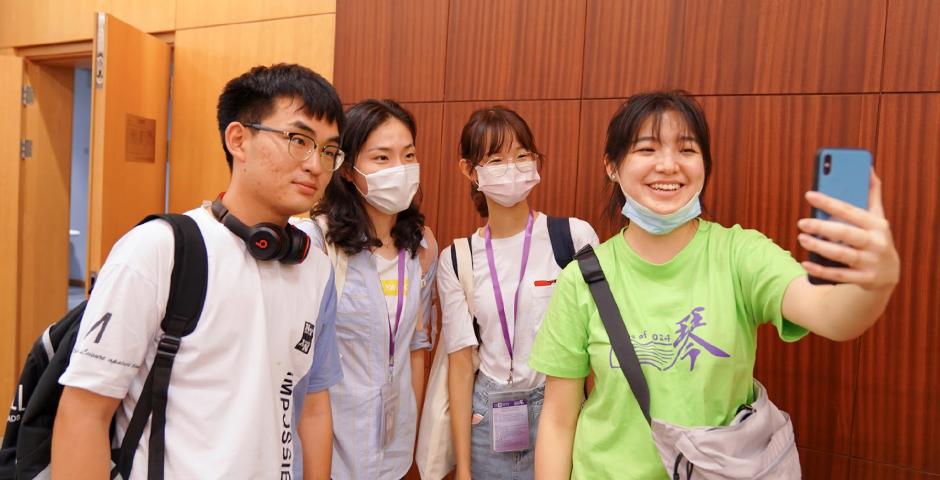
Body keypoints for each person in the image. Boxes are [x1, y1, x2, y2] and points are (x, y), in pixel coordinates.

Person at [529, 91, 900, 479]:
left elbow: (832, 315)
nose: (668, 165)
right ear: (612, 166)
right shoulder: (582, 278)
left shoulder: (740, 254)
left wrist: (875, 282)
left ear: (705, 164)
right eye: (647, 149)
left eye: (687, 150)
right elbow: (558, 420)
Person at [51, 64, 344, 480]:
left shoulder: (313, 264)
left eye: (330, 150)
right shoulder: (160, 249)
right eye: (299, 140)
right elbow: (84, 413)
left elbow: (312, 404)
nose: (317, 164)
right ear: (239, 139)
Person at [438, 106, 599, 479]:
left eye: (522, 156)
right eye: (496, 159)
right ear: (469, 170)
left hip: (559, 407)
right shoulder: (457, 258)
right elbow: (461, 366)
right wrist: (463, 468)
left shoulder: (574, 237)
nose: (512, 168)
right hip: (487, 416)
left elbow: (597, 343)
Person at [307, 99, 437, 479]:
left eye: (409, 155)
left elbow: (416, 346)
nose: (400, 168)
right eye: (382, 158)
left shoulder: (421, 244)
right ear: (348, 170)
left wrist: (408, 444)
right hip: (328, 449)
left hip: (394, 449)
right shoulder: (317, 242)